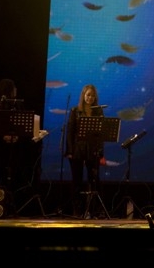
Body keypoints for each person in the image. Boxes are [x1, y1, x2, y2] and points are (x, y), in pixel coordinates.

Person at [65, 84, 105, 216]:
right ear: (83, 95)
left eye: (93, 95)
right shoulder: (75, 110)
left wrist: (101, 152)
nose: (90, 98)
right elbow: (70, 132)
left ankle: (94, 211)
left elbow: (101, 134)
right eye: (88, 95)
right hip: (77, 149)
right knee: (77, 181)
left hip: (93, 150)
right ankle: (77, 210)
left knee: (94, 180)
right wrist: (70, 151)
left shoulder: (98, 111)